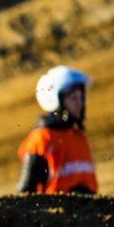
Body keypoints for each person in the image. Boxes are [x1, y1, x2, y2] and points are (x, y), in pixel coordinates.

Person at [16, 65, 98, 195]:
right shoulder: (41, 140)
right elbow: (25, 192)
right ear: (54, 99)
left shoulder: (78, 136)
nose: (79, 102)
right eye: (73, 97)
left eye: (81, 96)